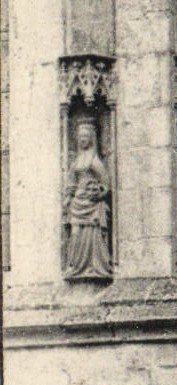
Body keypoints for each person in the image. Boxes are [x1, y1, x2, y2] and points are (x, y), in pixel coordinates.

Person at [64, 117, 113, 280]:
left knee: (92, 233)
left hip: (91, 206)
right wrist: (68, 197)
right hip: (78, 204)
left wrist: (97, 193)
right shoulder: (78, 160)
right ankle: (75, 265)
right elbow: (71, 181)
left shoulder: (95, 161)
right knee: (76, 233)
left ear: (91, 138)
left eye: (85, 136)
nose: (82, 139)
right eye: (80, 137)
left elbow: (106, 185)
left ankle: (94, 265)